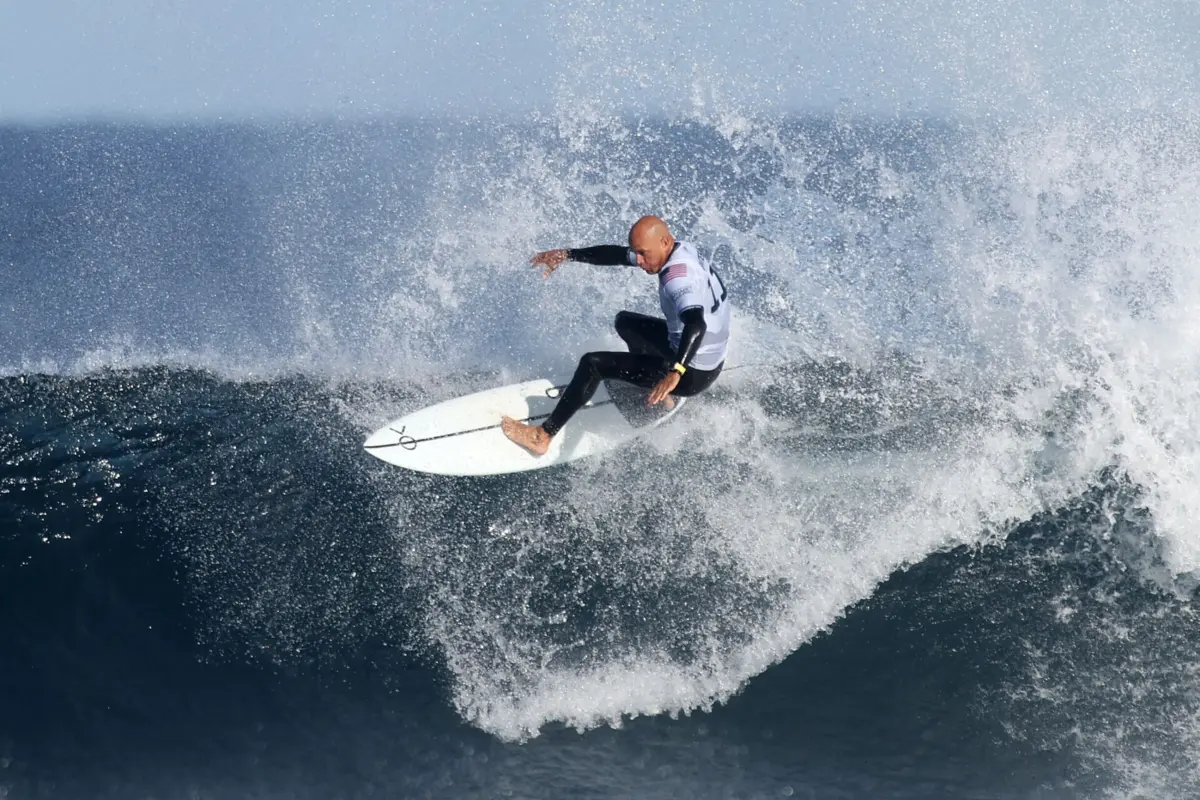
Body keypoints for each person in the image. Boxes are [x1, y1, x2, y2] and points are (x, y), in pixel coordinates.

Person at [502, 215, 731, 456]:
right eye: (637, 253)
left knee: (593, 365)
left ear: (664, 242)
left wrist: (676, 373)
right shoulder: (679, 250)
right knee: (626, 322)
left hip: (694, 372)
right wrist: (568, 255)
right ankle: (658, 394)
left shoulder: (676, 277)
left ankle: (543, 436)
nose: (639, 261)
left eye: (643, 254)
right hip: (710, 354)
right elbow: (617, 255)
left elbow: (696, 324)